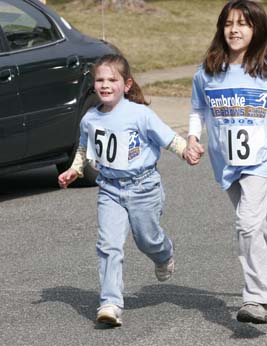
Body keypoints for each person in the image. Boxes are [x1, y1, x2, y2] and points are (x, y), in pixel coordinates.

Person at [58, 54, 202, 327]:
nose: (105, 84)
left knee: (148, 240)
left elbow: (168, 137)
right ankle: (110, 303)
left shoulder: (140, 114)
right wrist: (74, 169)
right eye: (100, 80)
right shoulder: (89, 119)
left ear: (126, 84)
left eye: (112, 79)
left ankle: (164, 254)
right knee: (108, 245)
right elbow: (84, 150)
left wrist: (186, 151)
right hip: (110, 190)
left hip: (144, 187)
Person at [187, 0, 267, 324]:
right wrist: (193, 137)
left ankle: (255, 299)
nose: (235, 30)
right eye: (229, 23)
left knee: (247, 224)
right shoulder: (207, 72)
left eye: (243, 24)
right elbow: (197, 109)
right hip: (227, 164)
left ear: (257, 30)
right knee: (258, 228)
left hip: (261, 162)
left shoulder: (264, 70)